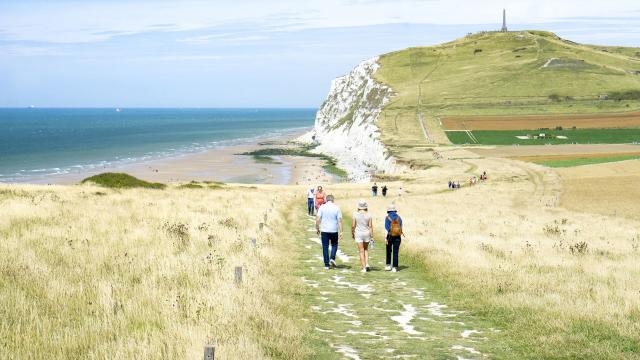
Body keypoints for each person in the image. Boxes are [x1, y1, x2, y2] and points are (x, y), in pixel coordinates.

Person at [316, 194, 343, 270]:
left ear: (326, 200)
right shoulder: (336, 208)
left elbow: (318, 218)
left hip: (324, 230)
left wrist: (317, 228)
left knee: (325, 247)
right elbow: (340, 220)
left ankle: (326, 264)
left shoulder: (322, 207)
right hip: (334, 230)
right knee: (334, 245)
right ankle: (332, 258)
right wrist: (341, 231)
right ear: (333, 200)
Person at [352, 200, 373, 273]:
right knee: (366, 249)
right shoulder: (369, 214)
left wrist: (352, 233)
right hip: (367, 233)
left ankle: (363, 268)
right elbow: (370, 226)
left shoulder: (355, 214)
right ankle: (367, 264)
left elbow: (353, 225)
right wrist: (372, 236)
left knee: (361, 251)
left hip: (358, 233)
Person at [385, 204, 403, 272]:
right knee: (396, 252)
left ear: (388, 211)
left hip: (389, 236)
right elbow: (401, 228)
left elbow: (386, 229)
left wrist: (385, 238)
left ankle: (388, 265)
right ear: (395, 210)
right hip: (398, 236)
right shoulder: (399, 217)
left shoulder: (387, 218)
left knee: (388, 251)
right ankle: (395, 267)